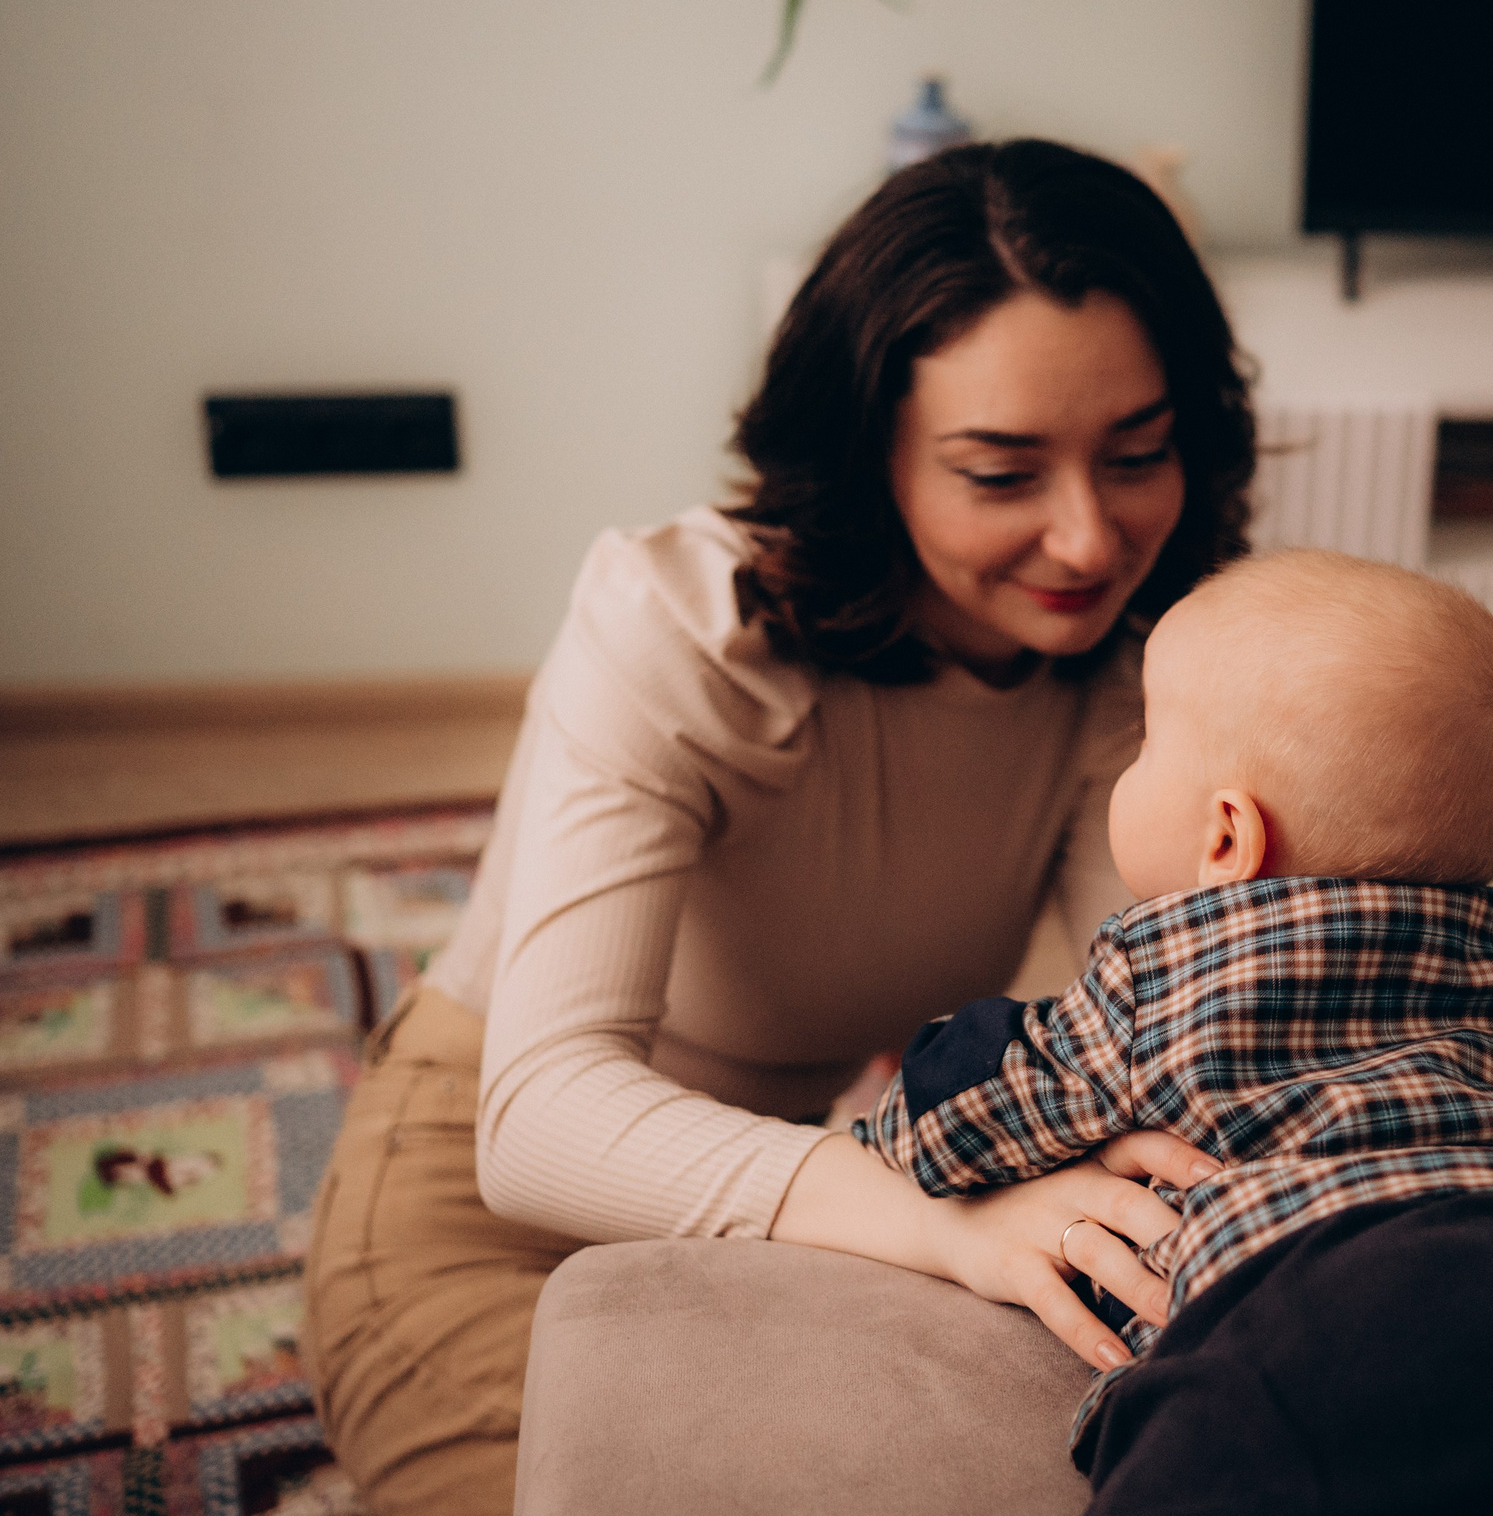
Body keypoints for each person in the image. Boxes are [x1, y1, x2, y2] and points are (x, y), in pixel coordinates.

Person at [301, 139, 1257, 1514]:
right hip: (484, 1210)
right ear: (873, 457)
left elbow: (1164, 1022)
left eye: (1139, 456)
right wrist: (941, 1221)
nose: (1090, 540)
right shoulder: (676, 626)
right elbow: (541, 1119)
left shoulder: (1126, 664)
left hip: (801, 1208)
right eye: (1001, 474)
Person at [859, 550, 1493, 1516]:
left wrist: (936, 1072)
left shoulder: (1155, 976)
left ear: (1224, 836)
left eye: (1143, 742)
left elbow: (950, 1129)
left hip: (1310, 1330)